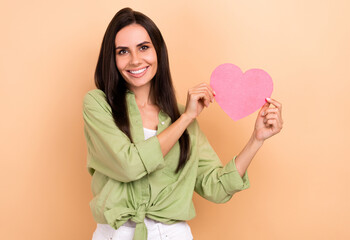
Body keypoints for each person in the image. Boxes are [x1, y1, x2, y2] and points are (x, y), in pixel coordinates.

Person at [82, 7, 283, 240]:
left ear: (159, 52)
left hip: (171, 234)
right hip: (116, 234)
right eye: (123, 51)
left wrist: (256, 139)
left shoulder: (179, 114)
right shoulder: (99, 104)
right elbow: (129, 166)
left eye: (144, 47)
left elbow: (215, 187)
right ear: (112, 58)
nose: (135, 60)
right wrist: (186, 118)